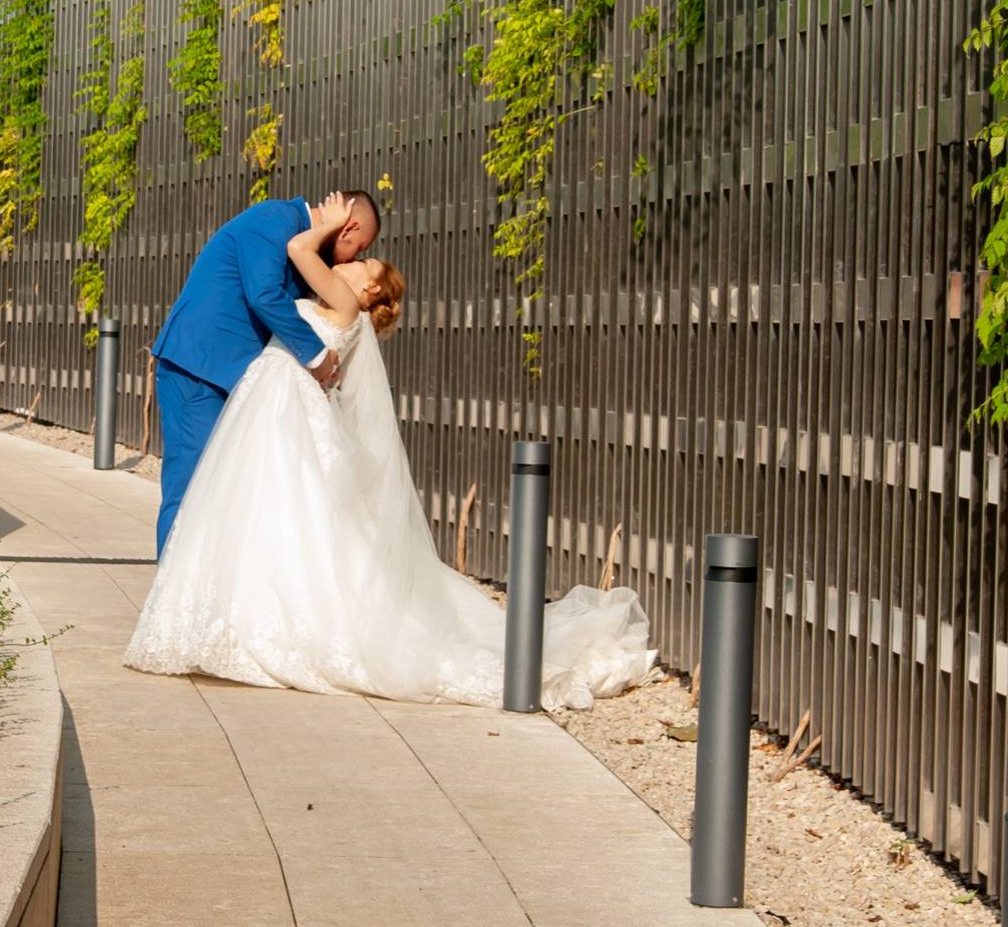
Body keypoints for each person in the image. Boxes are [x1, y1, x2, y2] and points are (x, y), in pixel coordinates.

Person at [123, 240, 655, 709]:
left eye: (364, 261)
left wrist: (330, 215)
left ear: (371, 287)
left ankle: (268, 626)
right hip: (270, 412)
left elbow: (300, 250)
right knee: (268, 517)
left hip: (283, 415)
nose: (353, 259)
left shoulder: (344, 303)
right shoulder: (336, 302)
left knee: (286, 516)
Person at [147, 191, 378, 555]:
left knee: (227, 496)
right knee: (189, 491)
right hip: (200, 369)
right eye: (359, 247)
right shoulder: (274, 218)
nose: (352, 257)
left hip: (239, 381)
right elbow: (265, 295)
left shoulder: (303, 245)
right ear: (348, 227)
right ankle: (168, 588)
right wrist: (318, 358)